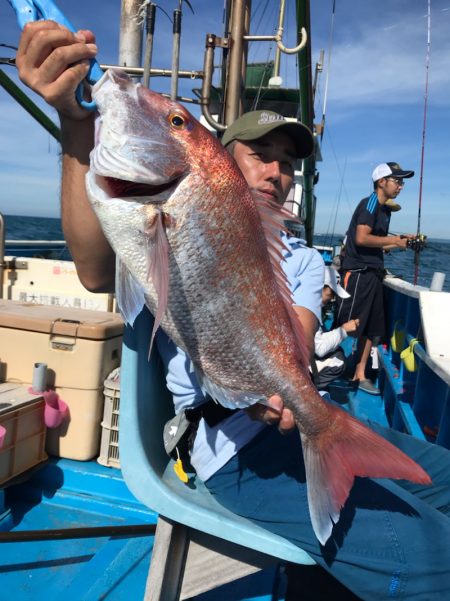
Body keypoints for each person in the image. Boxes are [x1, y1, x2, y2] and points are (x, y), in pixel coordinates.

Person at [15, 22, 450, 601]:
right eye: (260, 155)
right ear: (220, 159)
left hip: (295, 413)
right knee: (434, 555)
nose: (277, 171)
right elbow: (97, 270)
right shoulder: (174, 213)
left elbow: (294, 337)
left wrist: (284, 393)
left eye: (288, 163)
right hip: (229, 452)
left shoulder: (303, 260)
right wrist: (76, 124)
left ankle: (335, 450)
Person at [335, 162, 415, 395]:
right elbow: (361, 238)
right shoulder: (369, 204)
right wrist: (396, 241)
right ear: (382, 182)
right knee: (350, 325)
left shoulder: (385, 210)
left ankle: (359, 374)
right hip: (358, 274)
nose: (401, 186)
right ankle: (321, 360)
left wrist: (401, 240)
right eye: (397, 181)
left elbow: (377, 243)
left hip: (374, 274)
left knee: (373, 329)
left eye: (402, 182)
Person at [313, 266, 359, 390]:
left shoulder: (308, 303)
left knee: (337, 351)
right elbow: (320, 349)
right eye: (331, 294)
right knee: (338, 361)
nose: (332, 299)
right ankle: (310, 388)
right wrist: (344, 330)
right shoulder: (311, 311)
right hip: (298, 362)